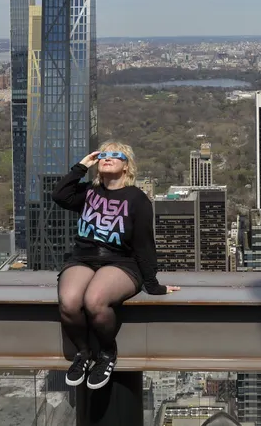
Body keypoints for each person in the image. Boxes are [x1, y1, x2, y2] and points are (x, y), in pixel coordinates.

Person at [53, 141, 179, 389]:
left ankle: (107, 353)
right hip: (83, 258)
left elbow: (144, 244)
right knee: (68, 302)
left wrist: (153, 285)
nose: (107, 158)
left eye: (115, 155)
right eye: (103, 155)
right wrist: (81, 166)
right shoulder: (89, 191)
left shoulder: (137, 199)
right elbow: (59, 195)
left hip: (121, 261)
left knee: (95, 301)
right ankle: (83, 353)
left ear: (126, 164)